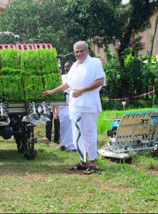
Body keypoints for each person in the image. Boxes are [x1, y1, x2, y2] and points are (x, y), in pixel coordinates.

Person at [43, 41, 106, 175]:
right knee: (77, 135)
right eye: (76, 52)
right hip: (75, 106)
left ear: (87, 51)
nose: (78, 54)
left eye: (81, 51)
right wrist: (52, 91)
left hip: (89, 106)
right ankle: (84, 162)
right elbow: (67, 84)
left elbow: (100, 81)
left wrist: (82, 90)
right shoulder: (75, 67)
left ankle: (94, 163)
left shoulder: (95, 63)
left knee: (89, 134)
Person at [59, 61, 75, 151]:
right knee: (64, 125)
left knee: (72, 125)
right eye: (65, 67)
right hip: (64, 104)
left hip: (73, 102)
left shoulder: (75, 76)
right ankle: (63, 144)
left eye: (68, 67)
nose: (66, 69)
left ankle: (72, 145)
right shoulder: (63, 77)